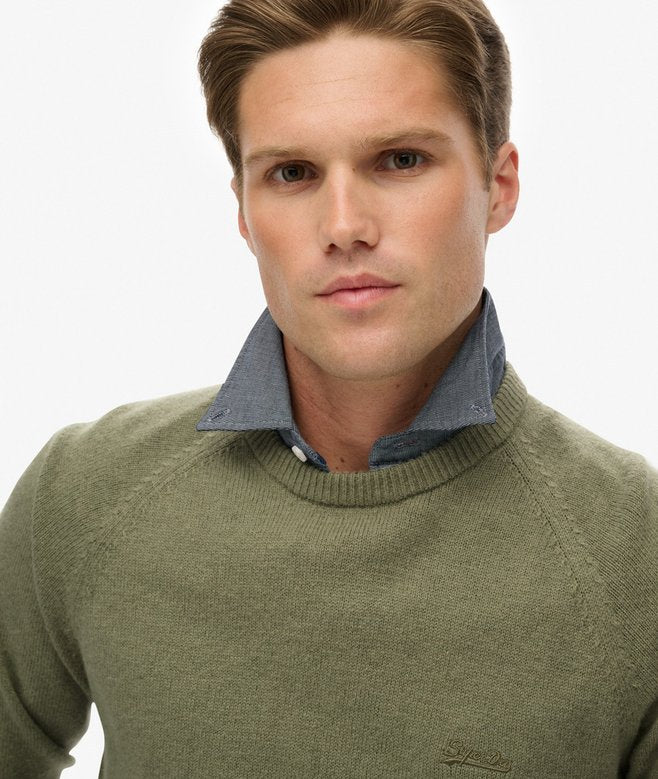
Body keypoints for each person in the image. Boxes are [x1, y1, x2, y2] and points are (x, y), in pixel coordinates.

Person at [1, 0, 656, 775]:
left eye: (400, 160)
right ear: (245, 212)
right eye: (293, 173)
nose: (344, 225)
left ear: (500, 186)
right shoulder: (87, 495)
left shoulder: (634, 551)